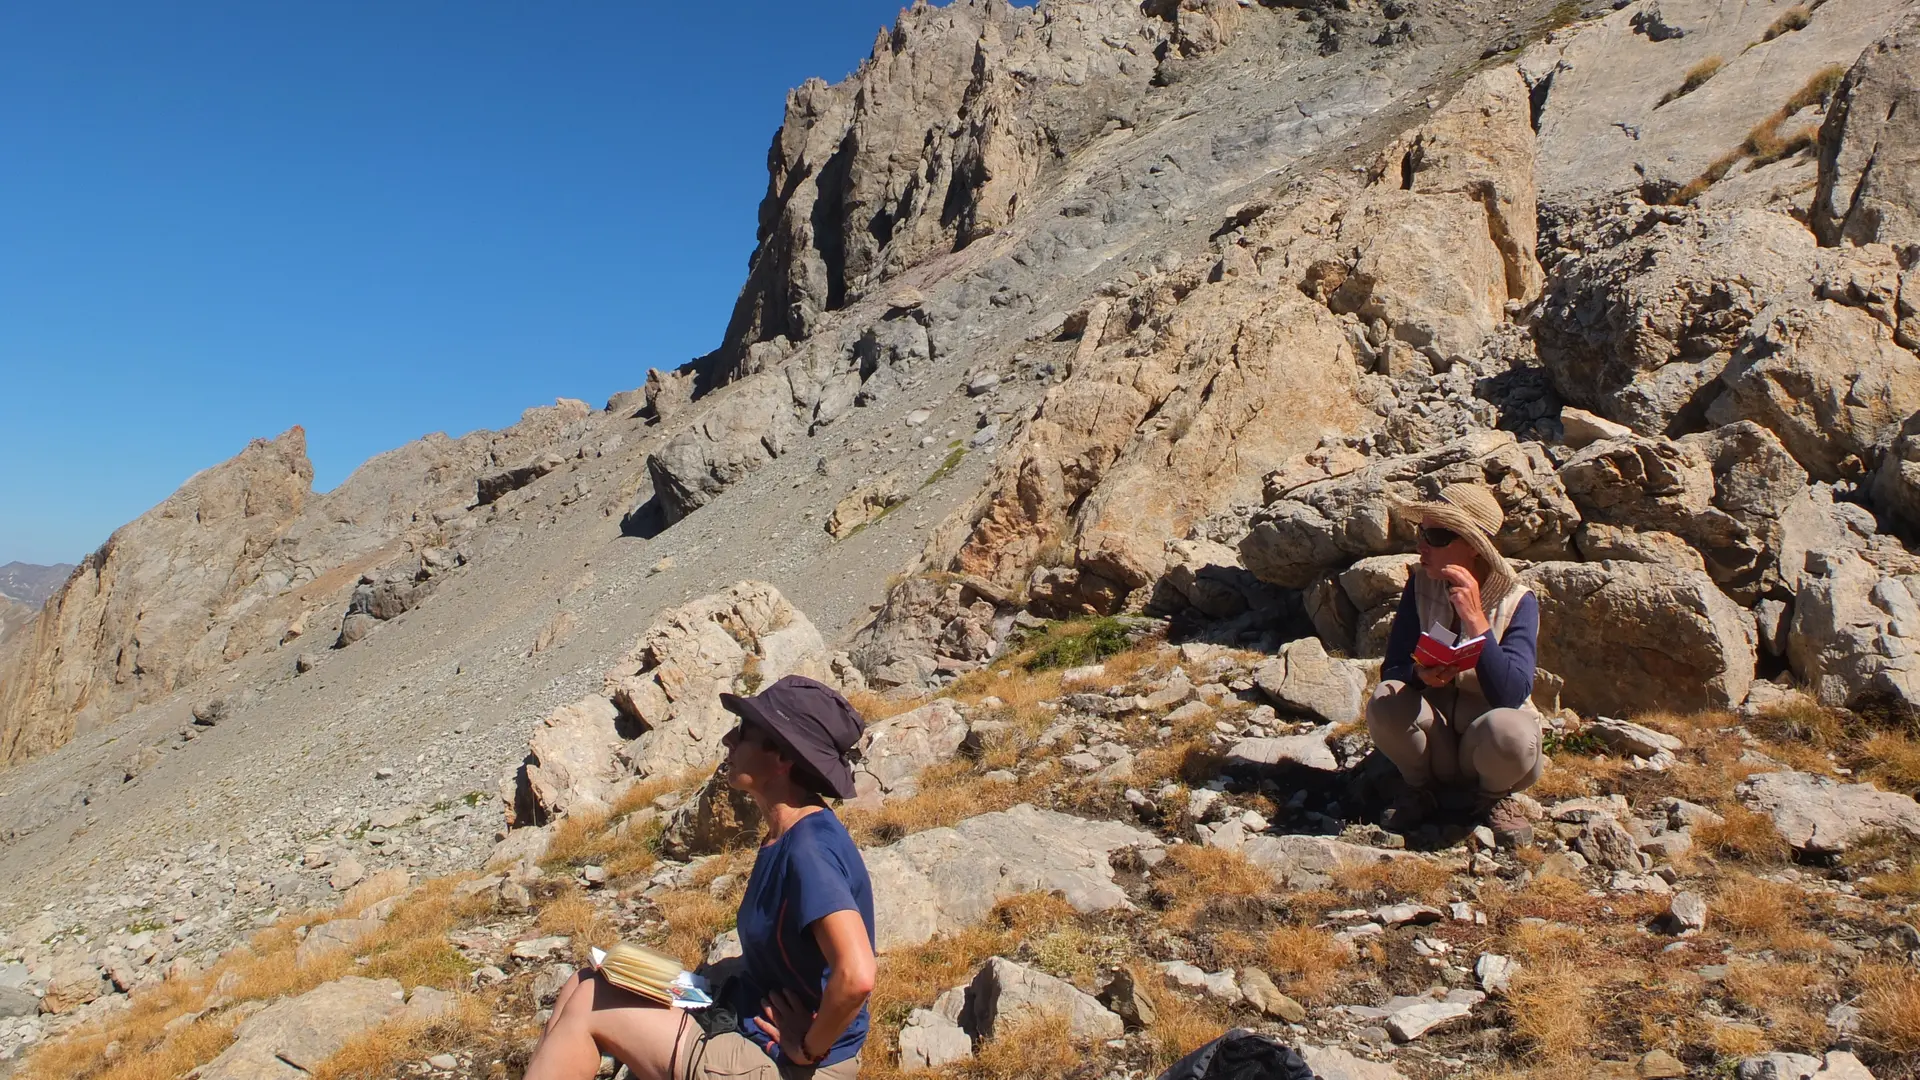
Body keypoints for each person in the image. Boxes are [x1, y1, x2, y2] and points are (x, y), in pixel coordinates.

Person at [525, 675, 877, 1080]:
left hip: (793, 1066)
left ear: (781, 758)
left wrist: (810, 1047)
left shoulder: (808, 849)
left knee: (590, 1002)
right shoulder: (789, 835)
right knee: (583, 982)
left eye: (744, 731)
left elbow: (857, 975)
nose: (729, 739)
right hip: (758, 1028)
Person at [1365, 483, 1542, 844]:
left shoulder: (1518, 602)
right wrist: (1420, 674)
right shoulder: (1419, 587)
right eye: (1421, 531)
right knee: (1387, 698)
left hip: (1491, 747)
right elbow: (1394, 668)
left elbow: (1511, 693)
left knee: (1511, 730)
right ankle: (1419, 790)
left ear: (1474, 547)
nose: (1422, 545)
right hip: (1438, 744)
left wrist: (1477, 622)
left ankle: (1493, 798)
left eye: (1435, 535)